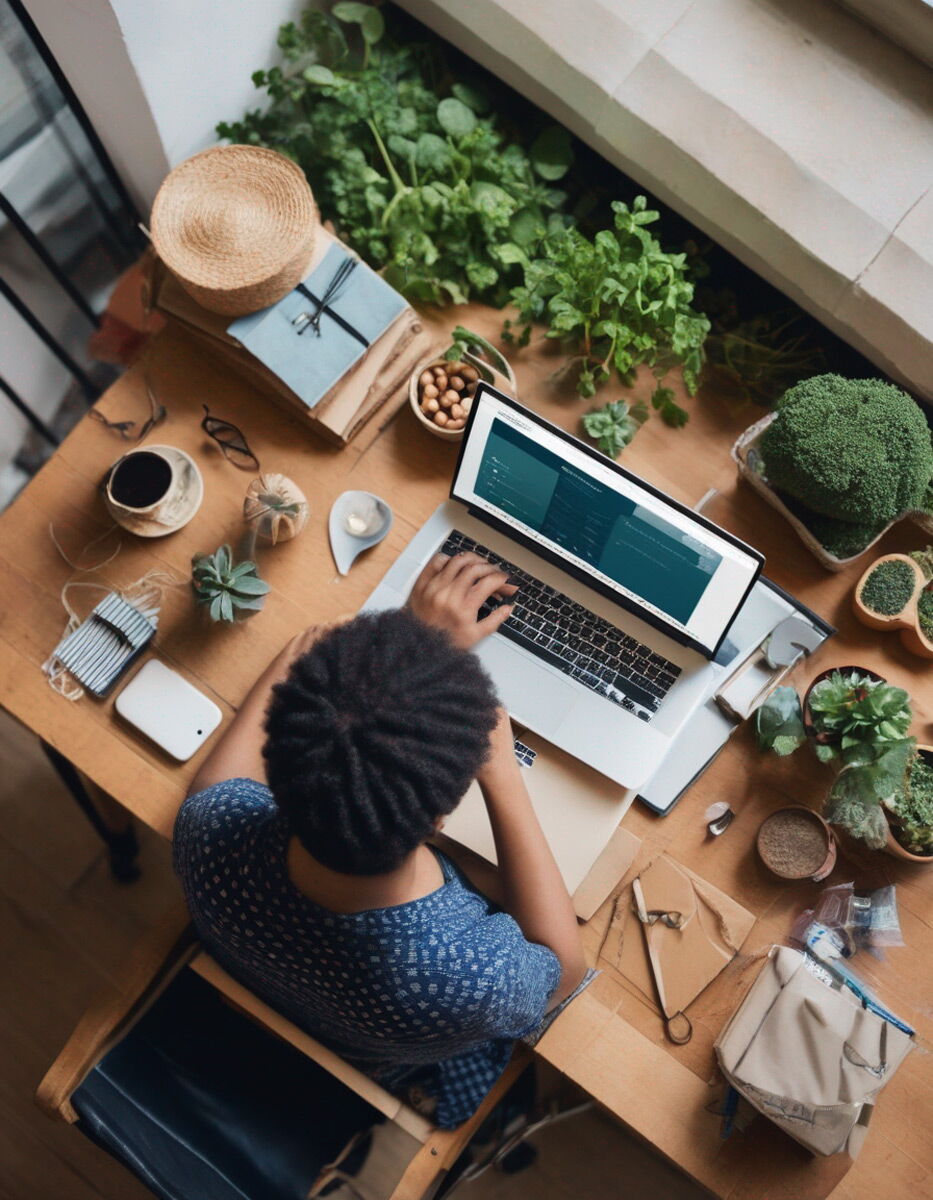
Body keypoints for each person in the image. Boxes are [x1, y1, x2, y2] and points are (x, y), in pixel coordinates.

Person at [174, 552, 588, 1128]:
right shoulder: (476, 981)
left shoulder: (211, 831)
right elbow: (562, 971)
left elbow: (219, 779)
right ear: (440, 817)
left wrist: (403, 651)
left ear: (281, 757)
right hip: (380, 1061)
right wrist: (503, 773)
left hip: (263, 998)